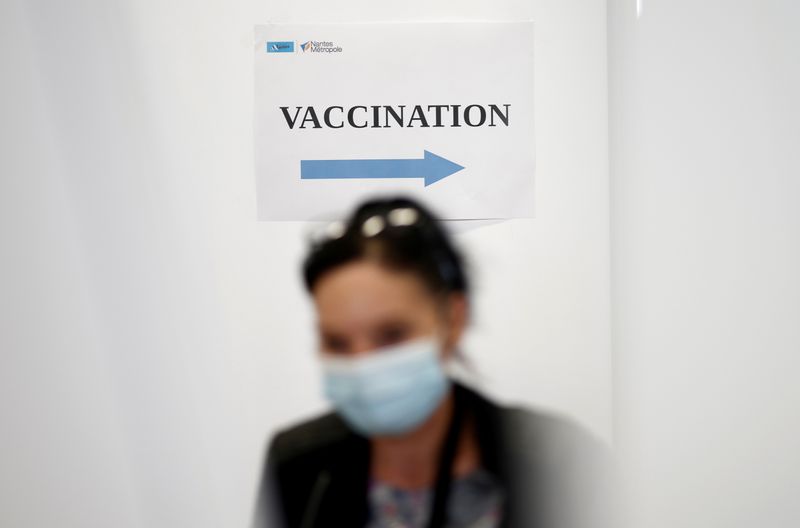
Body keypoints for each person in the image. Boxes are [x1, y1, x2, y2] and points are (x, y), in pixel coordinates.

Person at [251, 196, 612, 528]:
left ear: (453, 320)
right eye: (337, 342)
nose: (363, 364)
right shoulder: (299, 467)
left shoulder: (558, 462)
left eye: (392, 335)